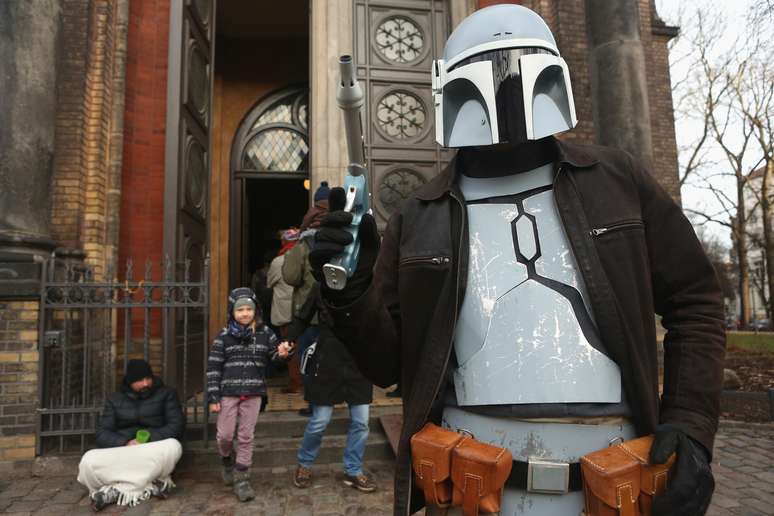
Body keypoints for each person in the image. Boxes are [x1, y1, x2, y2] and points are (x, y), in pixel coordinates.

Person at [309, 5, 725, 516]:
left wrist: (690, 421)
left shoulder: (614, 182)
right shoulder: (421, 215)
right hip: (472, 486)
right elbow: (391, 364)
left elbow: (696, 300)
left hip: (612, 484)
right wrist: (350, 290)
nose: (505, 94)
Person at [287, 283, 376, 493]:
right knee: (320, 420)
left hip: (358, 361)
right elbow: (303, 317)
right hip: (328, 360)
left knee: (361, 422)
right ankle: (305, 465)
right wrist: (290, 339)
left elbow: (381, 317)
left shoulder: (368, 284)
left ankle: (353, 470)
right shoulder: (320, 286)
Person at [206, 287, 293, 502]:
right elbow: (214, 368)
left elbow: (275, 357)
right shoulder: (223, 337)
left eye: (249, 309)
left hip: (253, 392)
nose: (245, 313)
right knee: (224, 436)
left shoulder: (265, 334)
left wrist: (282, 354)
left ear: (255, 311)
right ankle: (226, 458)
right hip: (228, 393)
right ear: (232, 312)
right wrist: (213, 397)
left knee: (245, 437)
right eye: (240, 309)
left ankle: (242, 478)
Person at [78, 359, 185, 512]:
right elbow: (102, 433)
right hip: (124, 450)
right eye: (140, 380)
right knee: (88, 461)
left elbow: (176, 426)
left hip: (152, 449)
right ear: (130, 382)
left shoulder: (166, 394)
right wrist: (125, 442)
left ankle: (113, 492)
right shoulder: (114, 399)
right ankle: (149, 485)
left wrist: (148, 438)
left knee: (173, 447)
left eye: (148, 378)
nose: (146, 383)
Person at [268, 228, 302, 393]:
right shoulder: (305, 257)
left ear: (284, 242)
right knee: (304, 345)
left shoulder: (278, 261)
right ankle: (304, 381)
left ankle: (295, 383)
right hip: (304, 310)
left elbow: (270, 282)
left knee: (289, 346)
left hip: (285, 310)